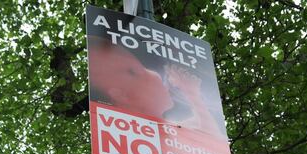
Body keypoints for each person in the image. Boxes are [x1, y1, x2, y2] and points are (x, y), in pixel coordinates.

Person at [87, 36, 227, 139]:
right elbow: (212, 139)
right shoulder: (152, 140)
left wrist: (192, 94)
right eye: (135, 71)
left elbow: (206, 132)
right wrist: (193, 95)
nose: (157, 75)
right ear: (120, 95)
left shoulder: (171, 129)